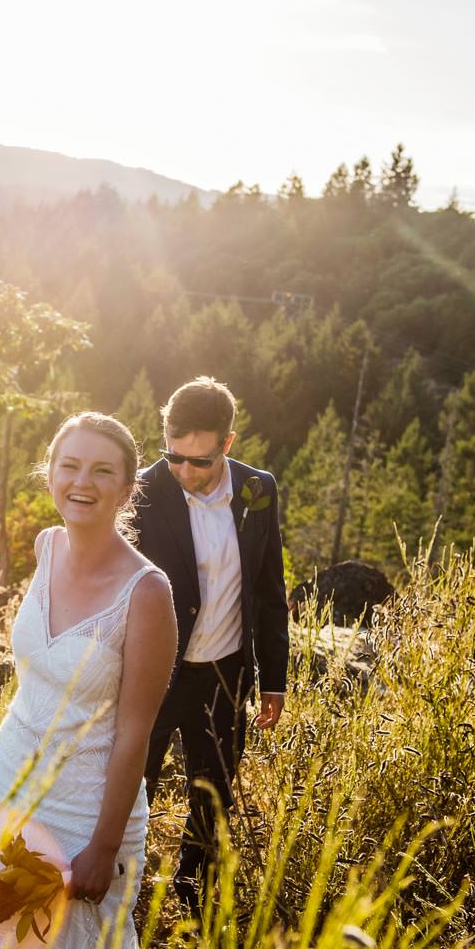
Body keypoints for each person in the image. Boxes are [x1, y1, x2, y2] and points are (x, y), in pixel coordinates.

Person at [0, 412, 177, 949]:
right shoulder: (46, 547)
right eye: (69, 466)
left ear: (126, 490)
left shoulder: (147, 595)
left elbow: (134, 733)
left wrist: (103, 846)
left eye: (102, 471)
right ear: (49, 474)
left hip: (86, 808)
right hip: (3, 779)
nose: (82, 482)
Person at [131, 376, 289, 908]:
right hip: (154, 674)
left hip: (225, 673)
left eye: (198, 461)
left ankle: (191, 886)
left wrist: (275, 679)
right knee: (135, 789)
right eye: (173, 456)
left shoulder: (258, 489)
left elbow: (269, 587)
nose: (183, 471)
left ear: (228, 443)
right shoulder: (144, 489)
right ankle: (120, 889)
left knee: (213, 791)